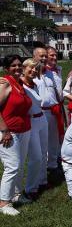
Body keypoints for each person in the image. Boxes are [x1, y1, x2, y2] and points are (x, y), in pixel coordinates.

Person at [0, 55, 32, 216]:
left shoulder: (19, 83)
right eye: (13, 66)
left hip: (23, 130)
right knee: (12, 166)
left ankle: (17, 195)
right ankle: (4, 202)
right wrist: (4, 130)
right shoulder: (5, 83)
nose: (18, 68)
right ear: (7, 68)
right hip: (9, 132)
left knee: (19, 165)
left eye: (19, 65)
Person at [21, 59, 49, 199]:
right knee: (36, 157)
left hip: (42, 118)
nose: (33, 71)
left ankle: (42, 180)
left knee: (44, 152)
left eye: (36, 69)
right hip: (30, 121)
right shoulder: (19, 84)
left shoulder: (35, 84)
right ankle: (30, 188)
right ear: (23, 68)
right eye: (30, 68)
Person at [37, 47, 64, 173]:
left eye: (55, 55)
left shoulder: (52, 73)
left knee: (54, 138)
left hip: (53, 109)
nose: (53, 57)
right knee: (42, 141)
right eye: (50, 55)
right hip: (39, 111)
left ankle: (53, 164)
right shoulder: (32, 73)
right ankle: (42, 165)